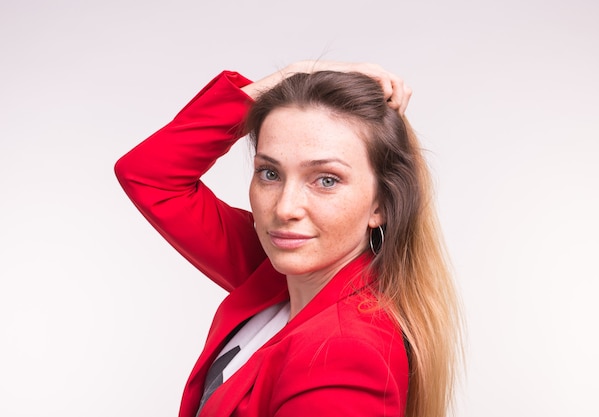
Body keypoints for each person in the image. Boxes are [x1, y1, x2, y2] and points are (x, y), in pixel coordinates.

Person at [115, 60, 463, 417]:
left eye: (326, 179)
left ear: (382, 204)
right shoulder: (276, 275)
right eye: (270, 173)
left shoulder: (344, 357)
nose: (285, 208)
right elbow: (149, 174)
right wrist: (290, 76)